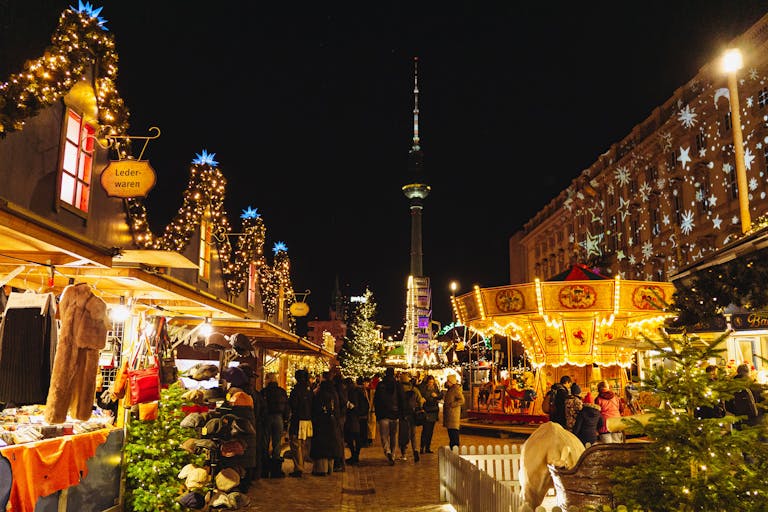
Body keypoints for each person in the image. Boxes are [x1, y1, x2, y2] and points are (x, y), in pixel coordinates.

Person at [219, 365, 259, 491]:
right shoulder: (247, 394)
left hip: (241, 436)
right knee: (245, 460)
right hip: (247, 435)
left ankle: (239, 486)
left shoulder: (237, 395)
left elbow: (233, 414)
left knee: (240, 461)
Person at [310, 378, 344, 475]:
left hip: (322, 425)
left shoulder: (320, 396)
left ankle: (321, 469)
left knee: (322, 448)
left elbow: (315, 410)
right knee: (330, 448)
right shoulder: (334, 395)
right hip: (333, 424)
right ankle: (330, 468)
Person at [261, 372, 289, 477]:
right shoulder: (281, 391)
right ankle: (275, 470)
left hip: (267, 418)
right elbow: (286, 406)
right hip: (278, 417)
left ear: (267, 380)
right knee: (277, 444)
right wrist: (286, 419)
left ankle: (264, 469)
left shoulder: (264, 392)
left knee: (265, 442)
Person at [287, 369, 313, 477]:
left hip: (298, 420)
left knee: (296, 444)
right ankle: (301, 465)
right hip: (308, 419)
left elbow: (293, 405)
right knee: (303, 444)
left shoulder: (296, 390)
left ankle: (298, 467)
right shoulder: (309, 389)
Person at [373, 367, 401, 465]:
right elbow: (402, 399)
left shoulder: (380, 385)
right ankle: (393, 454)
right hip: (395, 414)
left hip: (383, 414)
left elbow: (376, 400)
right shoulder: (397, 385)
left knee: (384, 436)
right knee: (393, 436)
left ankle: (387, 451)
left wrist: (377, 413)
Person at [397, 371, 424, 462]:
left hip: (402, 415)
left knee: (403, 434)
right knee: (413, 434)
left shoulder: (399, 389)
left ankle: (403, 454)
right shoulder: (414, 389)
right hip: (412, 414)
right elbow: (420, 400)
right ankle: (415, 450)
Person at [724, 363, 761, 429]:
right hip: (754, 420)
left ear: (737, 372)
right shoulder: (753, 385)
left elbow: (727, 405)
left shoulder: (731, 386)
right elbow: (761, 402)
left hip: (738, 421)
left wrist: (737, 413)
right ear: (748, 372)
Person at [344, 377, 366, 465]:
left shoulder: (352, 392)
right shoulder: (358, 390)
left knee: (352, 437)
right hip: (359, 417)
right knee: (356, 437)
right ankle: (355, 455)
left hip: (353, 417)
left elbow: (353, 405)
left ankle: (355, 455)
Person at [418, 374, 443, 454]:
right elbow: (423, 398)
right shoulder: (424, 389)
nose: (431, 384)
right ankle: (422, 447)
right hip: (427, 411)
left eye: (432, 382)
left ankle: (428, 447)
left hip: (434, 411)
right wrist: (428, 398)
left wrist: (436, 396)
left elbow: (439, 396)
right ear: (427, 382)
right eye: (430, 382)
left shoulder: (435, 388)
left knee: (431, 430)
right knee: (425, 430)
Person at [443, 373, 465, 449]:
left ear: (451, 381)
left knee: (454, 434)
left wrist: (452, 404)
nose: (446, 383)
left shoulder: (455, 389)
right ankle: (453, 448)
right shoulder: (450, 389)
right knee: (451, 434)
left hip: (453, 416)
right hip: (450, 415)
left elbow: (462, 400)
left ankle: (455, 448)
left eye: (448, 381)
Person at [356, 376, 372, 446]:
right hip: (364, 411)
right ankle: (364, 441)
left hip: (360, 412)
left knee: (361, 427)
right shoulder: (364, 390)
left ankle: (362, 441)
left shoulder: (356, 390)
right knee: (364, 427)